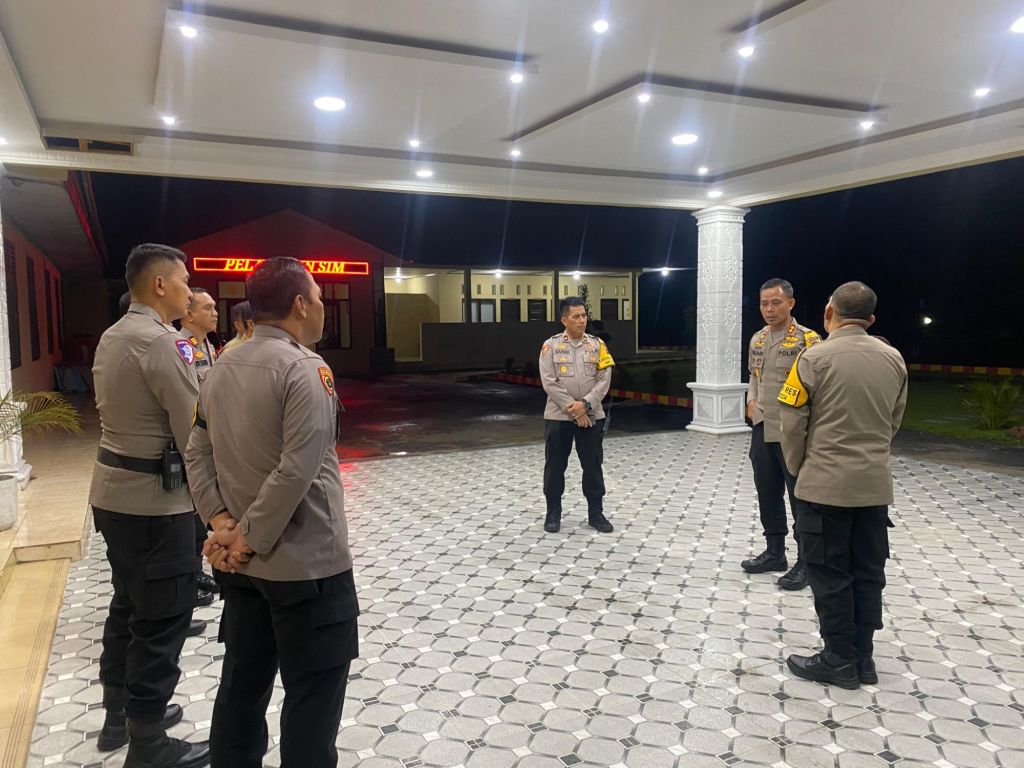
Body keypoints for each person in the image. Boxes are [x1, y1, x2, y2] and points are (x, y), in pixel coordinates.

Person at [185, 257, 358, 768]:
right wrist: (247, 536)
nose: (322, 307)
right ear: (300, 304)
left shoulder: (221, 366)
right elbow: (297, 469)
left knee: (242, 686)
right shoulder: (305, 368)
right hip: (306, 566)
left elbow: (196, 451)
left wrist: (221, 522)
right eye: (319, 298)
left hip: (244, 571)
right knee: (312, 700)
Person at [89, 244, 209, 767]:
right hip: (157, 505)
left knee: (128, 605)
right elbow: (193, 431)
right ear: (160, 285)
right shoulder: (164, 342)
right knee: (162, 620)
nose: (189, 290)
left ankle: (118, 717)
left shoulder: (114, 334)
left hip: (114, 495)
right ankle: (149, 742)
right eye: (184, 281)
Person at [779, 281, 908, 689]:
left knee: (830, 573)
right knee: (868, 571)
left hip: (824, 486)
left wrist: (800, 469)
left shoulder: (812, 358)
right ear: (871, 319)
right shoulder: (894, 358)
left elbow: (791, 424)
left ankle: (838, 659)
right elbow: (894, 420)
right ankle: (863, 657)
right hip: (873, 487)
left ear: (829, 312)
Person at [742, 278, 821, 590]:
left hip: (794, 431)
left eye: (776, 302)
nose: (769, 309)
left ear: (791, 303)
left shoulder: (808, 340)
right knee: (767, 490)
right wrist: (751, 402)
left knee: (800, 496)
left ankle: (806, 561)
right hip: (763, 425)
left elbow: (819, 387)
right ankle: (775, 551)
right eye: (764, 303)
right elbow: (754, 376)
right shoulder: (758, 339)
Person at [539, 296, 615, 534]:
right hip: (558, 416)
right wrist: (575, 410)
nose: (582, 320)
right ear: (564, 320)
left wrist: (586, 405)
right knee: (555, 465)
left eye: (584, 315)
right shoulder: (550, 346)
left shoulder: (597, 345)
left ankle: (596, 513)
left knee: (593, 465)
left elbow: (604, 379)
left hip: (591, 415)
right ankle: (553, 512)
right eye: (576, 316)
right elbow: (549, 382)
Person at [180, 287, 218, 382]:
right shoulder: (177, 347)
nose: (215, 313)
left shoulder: (209, 346)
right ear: (189, 315)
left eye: (214, 307)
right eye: (208, 308)